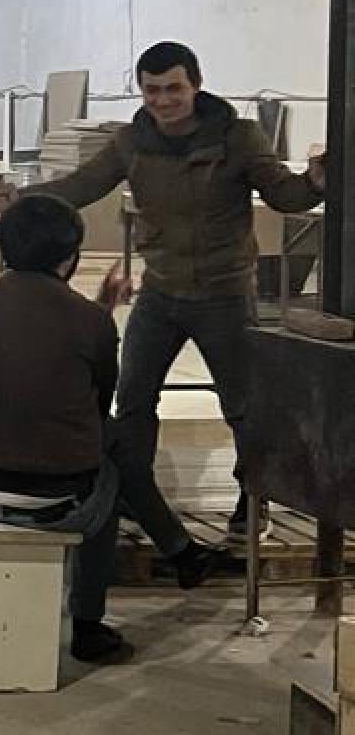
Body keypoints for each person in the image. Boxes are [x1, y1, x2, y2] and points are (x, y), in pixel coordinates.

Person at [35, 41, 325, 546]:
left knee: (243, 405)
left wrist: (317, 180)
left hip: (225, 294)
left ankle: (252, 499)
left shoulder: (238, 137)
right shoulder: (133, 141)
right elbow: (83, 185)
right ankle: (133, 494)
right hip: (160, 293)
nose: (163, 101)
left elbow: (285, 195)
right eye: (152, 91)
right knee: (133, 399)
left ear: (196, 84)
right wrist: (20, 201)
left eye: (173, 89)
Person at [0, 195, 221, 666]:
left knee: (106, 447)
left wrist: (99, 310)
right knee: (111, 473)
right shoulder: (88, 321)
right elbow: (97, 402)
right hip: (53, 502)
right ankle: (90, 624)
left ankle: (183, 553)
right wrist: (103, 315)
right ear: (70, 257)